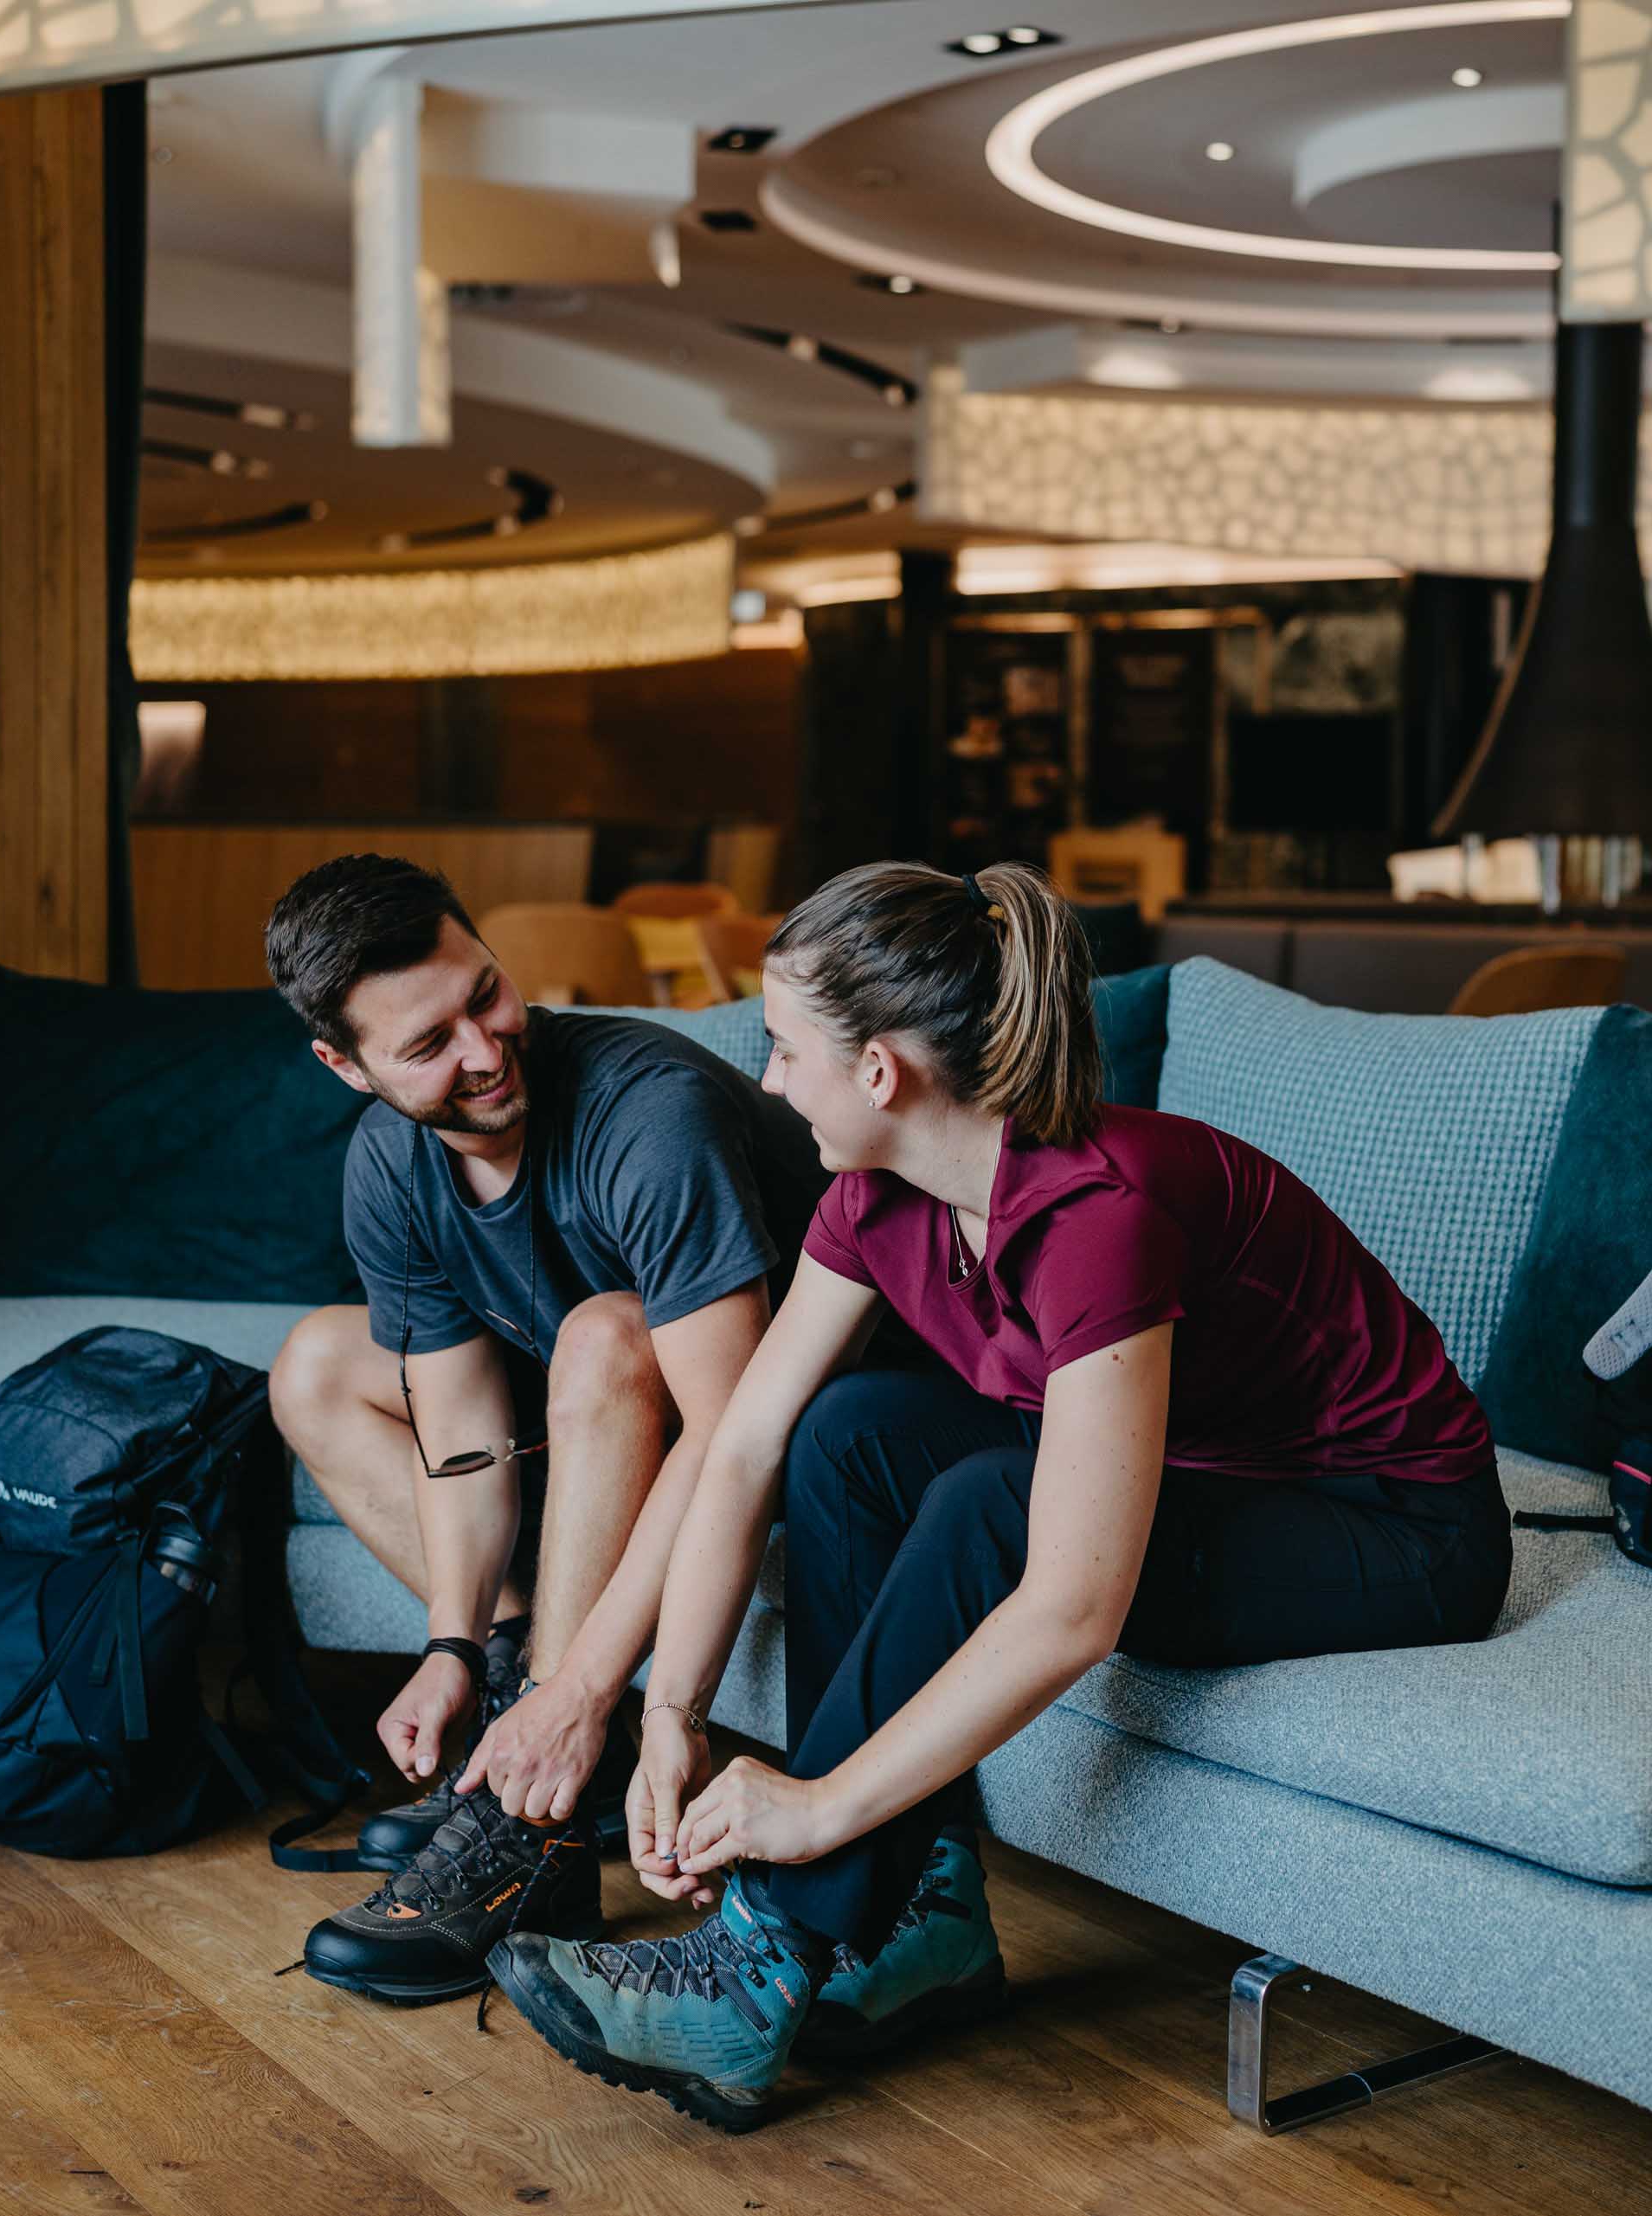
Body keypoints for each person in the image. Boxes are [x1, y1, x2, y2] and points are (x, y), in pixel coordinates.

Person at [485, 860, 1513, 2129]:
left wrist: (808, 1807)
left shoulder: (1098, 1215)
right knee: (848, 1430)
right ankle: (930, 1913)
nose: (763, 1079)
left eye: (782, 1046)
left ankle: (764, 1957)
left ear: (880, 1074)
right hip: (1209, 1469)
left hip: (1392, 1524)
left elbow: (1076, 1604)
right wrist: (671, 1714)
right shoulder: (875, 1200)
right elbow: (745, 1443)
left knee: (988, 1503)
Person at [260, 856, 824, 2006]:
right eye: (427, 1045)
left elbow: (736, 1429)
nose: (481, 1049)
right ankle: (524, 1707)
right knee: (317, 1363)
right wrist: (452, 1644)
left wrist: (585, 1690)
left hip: (783, 1425)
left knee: (606, 1333)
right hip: (591, 1421)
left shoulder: (647, 1115)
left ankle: (537, 1822)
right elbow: (459, 1430)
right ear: (345, 1065)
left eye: (485, 995)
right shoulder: (389, 1164)